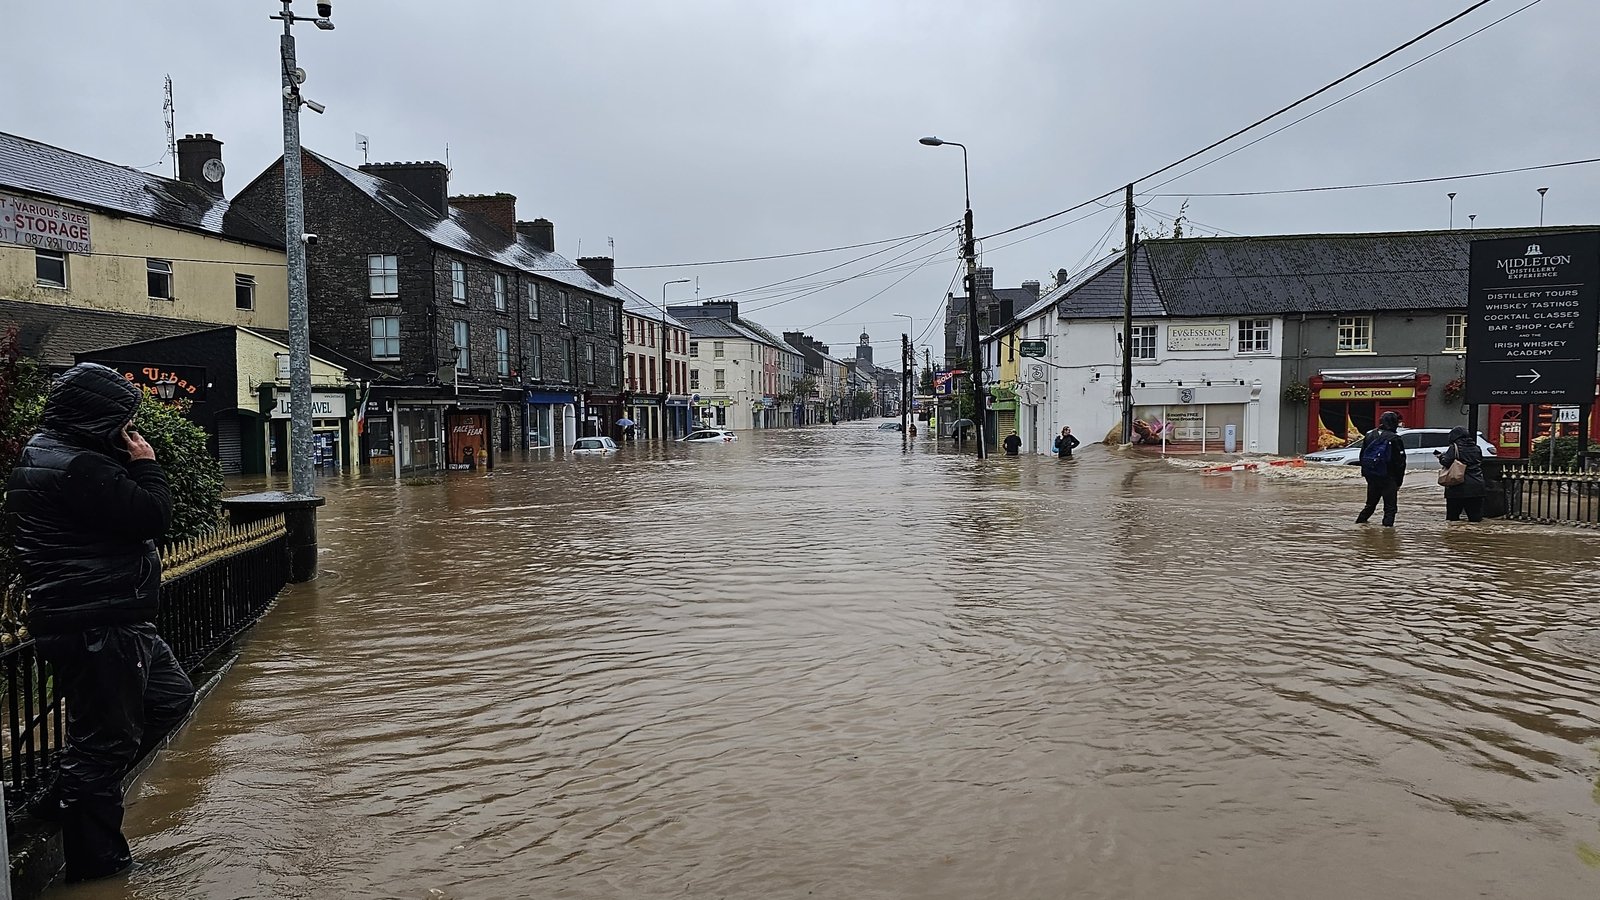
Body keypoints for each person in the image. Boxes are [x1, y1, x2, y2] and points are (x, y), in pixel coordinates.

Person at [4, 363, 195, 883]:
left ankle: (64, 794)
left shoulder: (48, 453)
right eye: (122, 421)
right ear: (96, 419)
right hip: (98, 622)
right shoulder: (80, 465)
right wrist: (147, 465)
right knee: (104, 747)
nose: (129, 432)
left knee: (170, 698)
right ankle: (99, 871)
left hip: (109, 616)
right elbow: (152, 515)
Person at [1355, 410, 1408, 527]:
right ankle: (1388, 535)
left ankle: (1359, 525)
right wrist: (1399, 481)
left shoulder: (1369, 435)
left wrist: (1367, 475)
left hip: (1372, 476)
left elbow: (1362, 456)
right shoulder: (1394, 438)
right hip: (1389, 477)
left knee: (1370, 505)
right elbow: (1400, 462)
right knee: (1390, 508)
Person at [1437, 425, 1487, 522]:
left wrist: (1441, 457)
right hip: (1477, 487)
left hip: (1457, 487)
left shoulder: (1454, 448)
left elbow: (1446, 462)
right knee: (1475, 520)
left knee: (1453, 520)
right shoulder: (1477, 448)